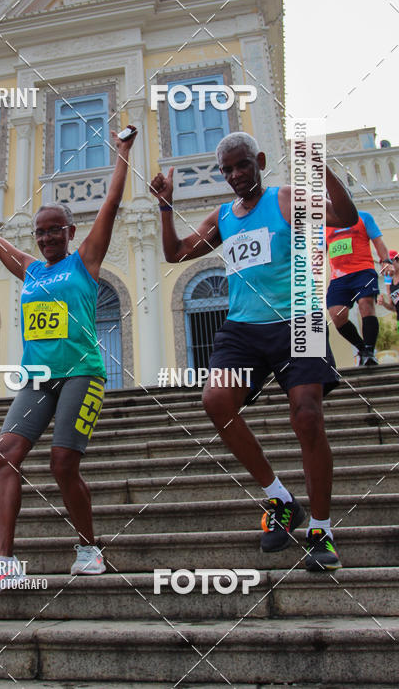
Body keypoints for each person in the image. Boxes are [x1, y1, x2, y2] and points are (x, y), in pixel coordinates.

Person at [150, 131, 358, 572]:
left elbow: (343, 214)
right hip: (244, 329)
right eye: (226, 169)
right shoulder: (224, 216)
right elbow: (174, 253)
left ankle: (320, 529)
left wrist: (318, 165)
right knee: (215, 399)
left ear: (259, 160)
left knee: (306, 416)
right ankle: (281, 500)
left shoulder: (284, 199)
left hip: (297, 320)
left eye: (242, 164)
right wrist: (166, 206)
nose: (235, 175)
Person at [0, 127, 137, 600]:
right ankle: (2, 563)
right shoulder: (31, 270)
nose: (46, 236)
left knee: (62, 463)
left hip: (82, 374)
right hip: (37, 380)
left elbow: (111, 206)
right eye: (40, 231)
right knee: (4, 455)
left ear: (70, 232)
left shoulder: (85, 261)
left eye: (55, 229)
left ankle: (89, 546)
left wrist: (123, 154)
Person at [326, 211, 395, 365]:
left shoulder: (363, 217)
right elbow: (318, 250)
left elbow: (378, 241)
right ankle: (362, 348)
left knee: (366, 305)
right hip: (338, 277)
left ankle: (370, 350)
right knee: (336, 315)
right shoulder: (324, 224)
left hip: (363, 271)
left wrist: (386, 260)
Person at [377, 249, 399, 324]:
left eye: (389, 263)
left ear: (397, 260)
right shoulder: (390, 284)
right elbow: (394, 308)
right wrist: (383, 303)